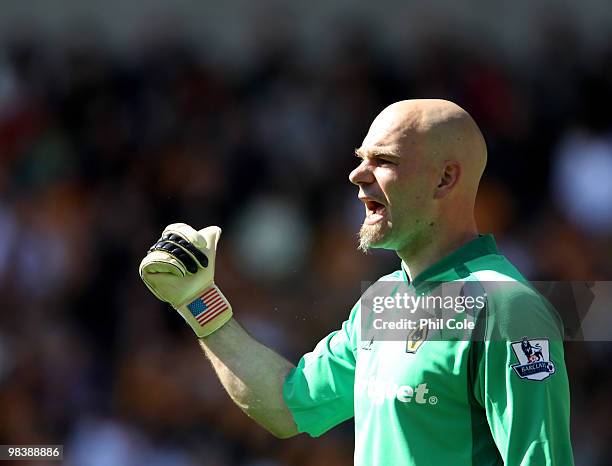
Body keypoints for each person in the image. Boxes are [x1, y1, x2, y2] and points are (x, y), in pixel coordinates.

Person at [139, 99, 574, 465]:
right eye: (360, 158)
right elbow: (287, 406)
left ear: (446, 178)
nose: (357, 175)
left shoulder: (504, 307)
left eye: (383, 161)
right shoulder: (384, 301)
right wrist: (198, 301)